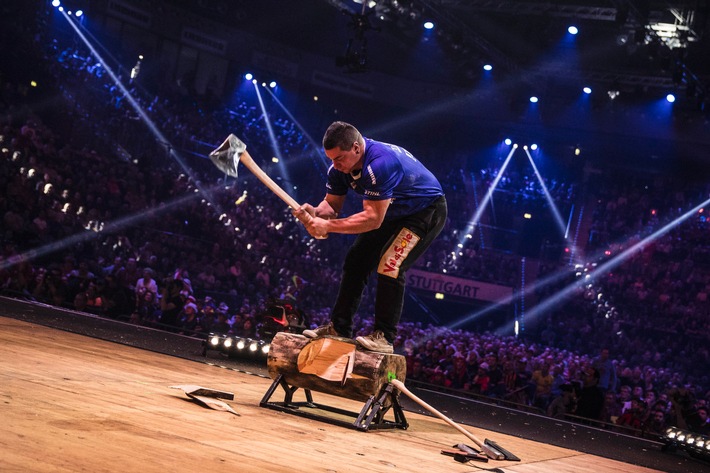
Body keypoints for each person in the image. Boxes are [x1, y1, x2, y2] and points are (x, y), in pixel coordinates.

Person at [295, 122, 447, 354]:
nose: (335, 165)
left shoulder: (380, 164)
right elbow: (332, 206)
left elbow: (373, 218)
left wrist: (327, 226)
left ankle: (384, 337)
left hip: (424, 210)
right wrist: (315, 213)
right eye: (331, 159)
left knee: (391, 264)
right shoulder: (338, 169)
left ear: (356, 148)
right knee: (356, 260)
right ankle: (339, 328)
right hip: (392, 212)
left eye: (339, 158)